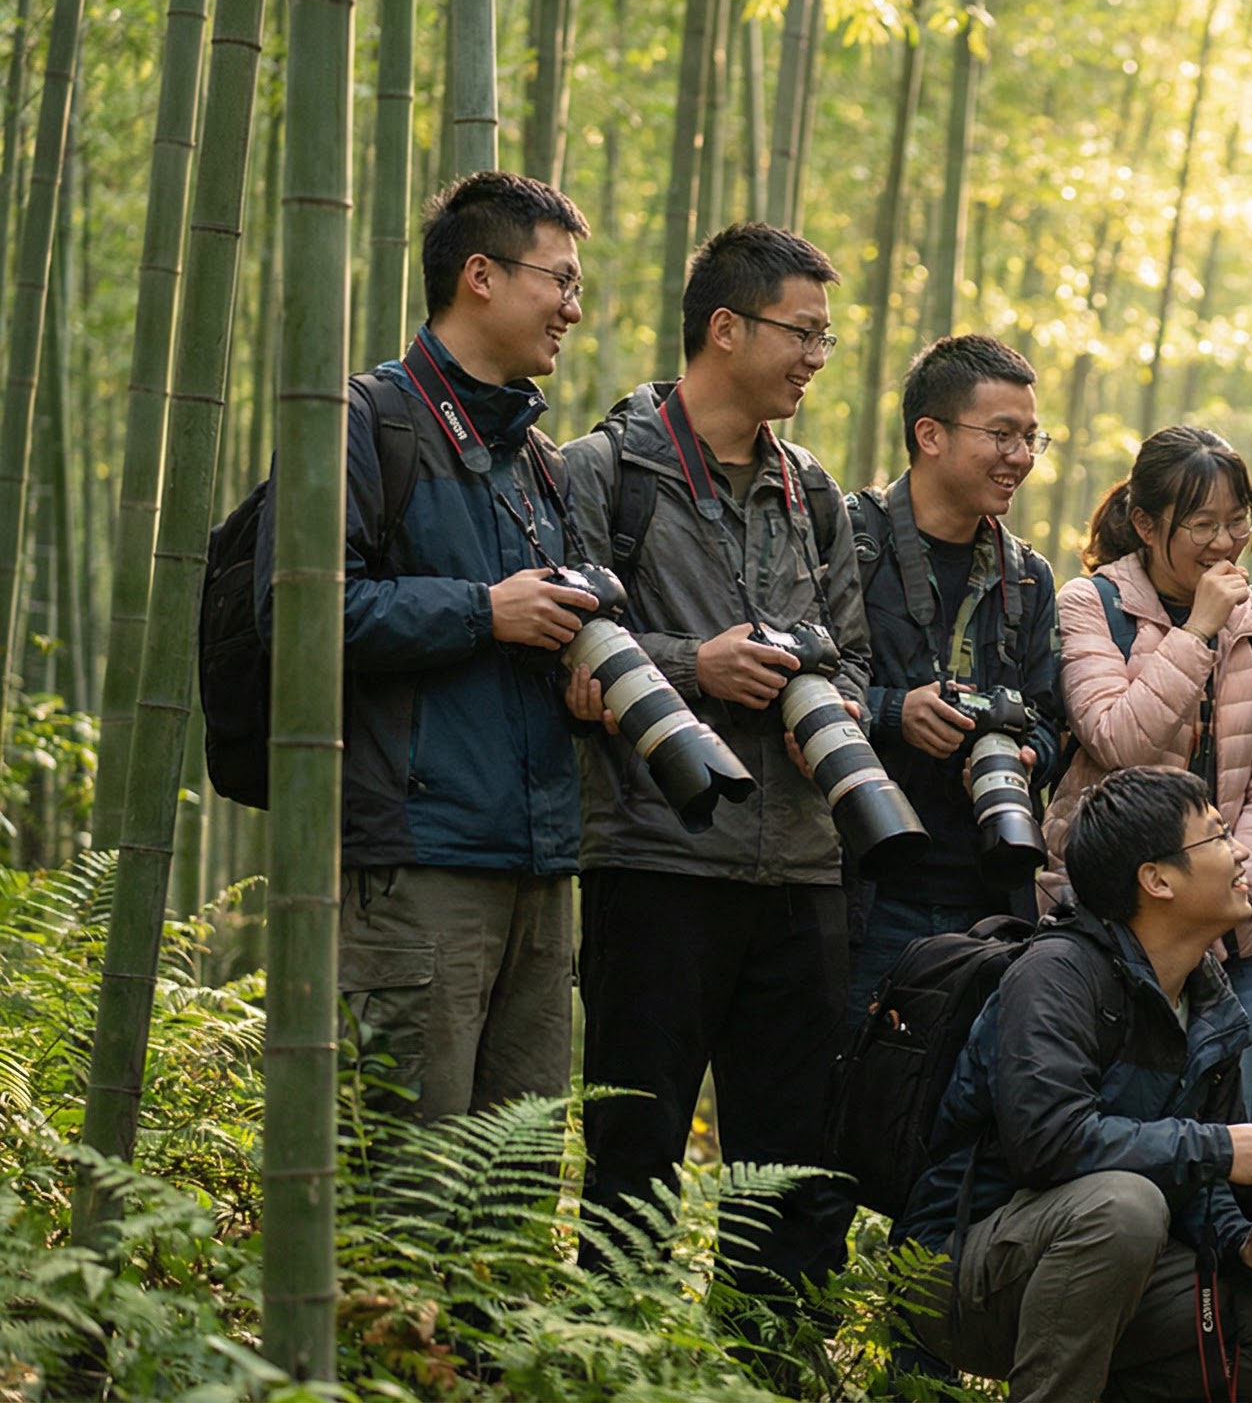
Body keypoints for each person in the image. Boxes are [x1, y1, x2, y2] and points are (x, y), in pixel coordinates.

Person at [561, 222, 870, 1300]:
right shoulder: (604, 472)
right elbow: (565, 645)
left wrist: (827, 707)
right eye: (803, 333)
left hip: (801, 865)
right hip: (656, 860)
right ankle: (610, 1365)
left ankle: (773, 1361)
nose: (816, 358)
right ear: (725, 328)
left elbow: (857, 655)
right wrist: (701, 664)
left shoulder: (815, 491)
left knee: (791, 1167)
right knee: (633, 1158)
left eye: (828, 339)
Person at [259, 171, 595, 1121]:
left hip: (538, 862)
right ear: (480, 275)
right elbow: (304, 614)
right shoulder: (364, 420)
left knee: (511, 1193)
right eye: (559, 281)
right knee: (410, 1185)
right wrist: (484, 612)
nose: (574, 309)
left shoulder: (541, 463)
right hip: (418, 863)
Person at [906, 765, 1252, 1403]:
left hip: (1107, 1267)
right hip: (960, 1269)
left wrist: (1238, 1241)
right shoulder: (1057, 975)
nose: (1242, 849)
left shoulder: (1209, 996)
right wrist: (1220, 1148)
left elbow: (1199, 1188)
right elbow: (1047, 1143)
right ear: (1157, 879)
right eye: (1219, 837)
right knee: (1125, 1208)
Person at [1043, 425, 1252, 1100]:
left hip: (1231, 938)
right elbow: (1117, 740)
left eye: (1238, 520)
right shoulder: (1091, 604)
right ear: (1145, 523)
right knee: (1113, 1125)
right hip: (1108, 930)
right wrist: (1196, 632)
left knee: (1225, 1140)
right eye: (1202, 525)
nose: (1225, 542)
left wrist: (1220, 900)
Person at [847, 333, 1068, 1006]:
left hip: (988, 895)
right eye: (1002, 434)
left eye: (1032, 437)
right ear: (930, 434)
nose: (1022, 457)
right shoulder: (851, 542)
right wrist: (896, 713)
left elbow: (1053, 720)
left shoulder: (1027, 576)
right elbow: (808, 681)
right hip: (863, 890)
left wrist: (1027, 753)